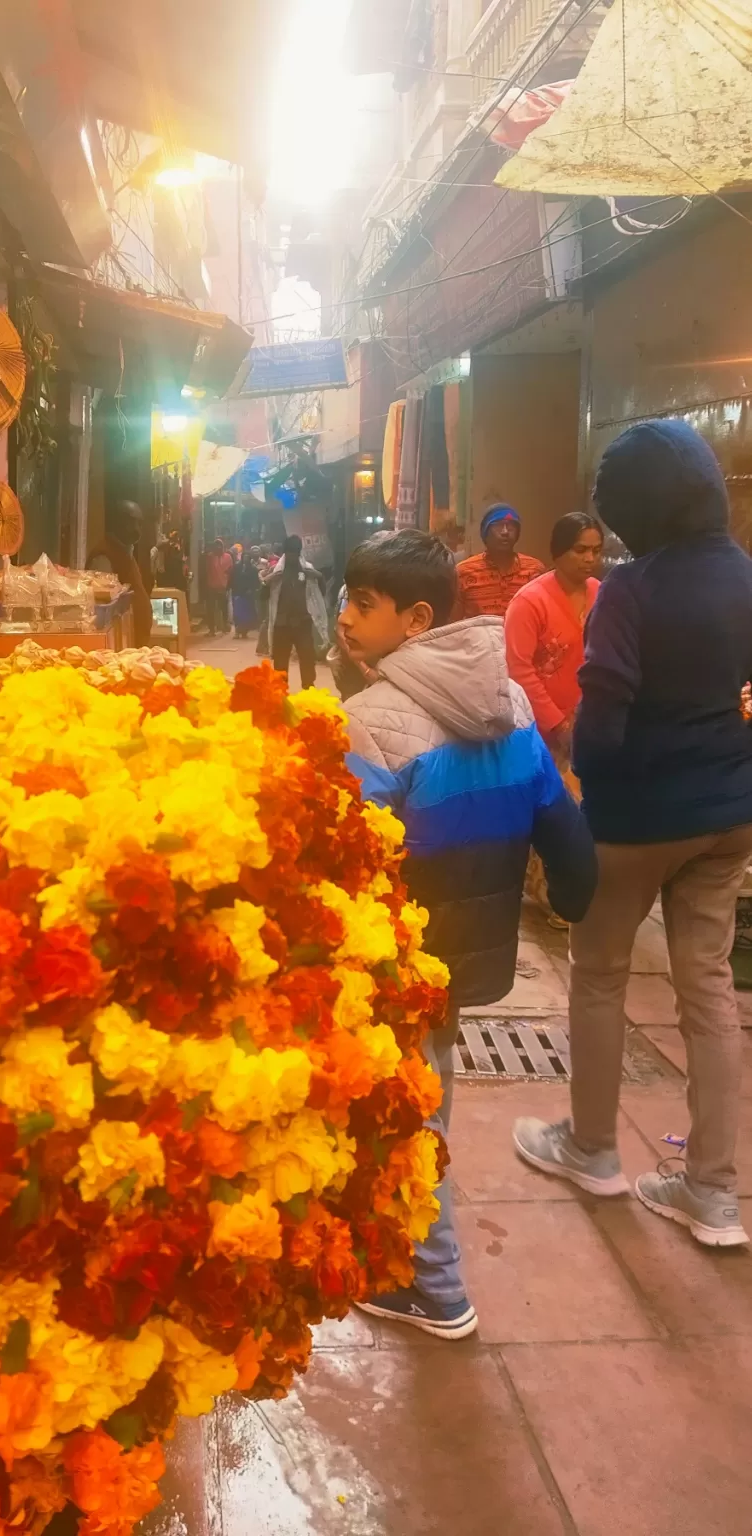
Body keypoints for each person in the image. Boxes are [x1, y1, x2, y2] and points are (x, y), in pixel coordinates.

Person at [340, 529, 596, 1338]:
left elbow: (348, 866)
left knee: (418, 1116)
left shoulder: (371, 721)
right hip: (473, 952)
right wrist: (576, 891)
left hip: (400, 962)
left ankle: (438, 1287)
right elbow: (560, 820)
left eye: (362, 605)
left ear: (417, 620)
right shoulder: (513, 705)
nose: (345, 618)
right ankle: (402, 1250)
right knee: (422, 1103)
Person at [513, 421, 752, 1248]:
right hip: (730, 816)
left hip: (641, 818)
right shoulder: (746, 576)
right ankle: (714, 1194)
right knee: (709, 989)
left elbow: (604, 723)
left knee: (600, 972)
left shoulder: (632, 590)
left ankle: (592, 1149)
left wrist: (582, 778)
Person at [505, 512, 604, 923]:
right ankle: (538, 892)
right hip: (541, 727)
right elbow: (519, 668)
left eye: (597, 550)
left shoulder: (601, 593)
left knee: (579, 813)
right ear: (559, 550)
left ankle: (563, 895)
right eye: (580, 550)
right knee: (545, 809)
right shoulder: (530, 601)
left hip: (591, 723)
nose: (589, 559)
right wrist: (557, 723)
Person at [456, 504, 546, 618]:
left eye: (511, 527)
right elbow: (454, 625)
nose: (505, 532)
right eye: (498, 526)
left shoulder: (534, 569)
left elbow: (543, 618)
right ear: (485, 533)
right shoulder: (463, 572)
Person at [87, 500, 152, 646]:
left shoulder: (126, 550)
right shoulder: (104, 555)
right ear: (118, 522)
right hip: (120, 643)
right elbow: (103, 605)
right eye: (131, 522)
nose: (136, 529)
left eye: (139, 523)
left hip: (134, 640)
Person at [262, 535, 321, 690]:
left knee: (308, 659)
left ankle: (308, 691)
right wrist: (268, 579)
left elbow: (320, 593)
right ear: (285, 552)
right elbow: (262, 596)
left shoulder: (308, 569)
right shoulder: (276, 572)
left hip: (303, 624)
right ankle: (280, 695)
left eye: (296, 553)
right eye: (290, 553)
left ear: (300, 552)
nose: (293, 556)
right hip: (282, 625)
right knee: (280, 664)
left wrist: (319, 576)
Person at [204, 539, 233, 636]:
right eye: (216, 546)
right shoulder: (210, 557)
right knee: (210, 609)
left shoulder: (228, 557)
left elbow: (230, 572)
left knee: (223, 608)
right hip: (211, 587)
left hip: (223, 587)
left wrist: (229, 586)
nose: (218, 547)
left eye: (220, 545)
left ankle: (225, 626)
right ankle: (211, 630)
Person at [231, 545, 261, 637]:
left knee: (247, 615)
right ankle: (237, 631)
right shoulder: (236, 567)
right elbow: (232, 579)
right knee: (237, 613)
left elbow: (256, 582)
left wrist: (251, 590)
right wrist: (233, 590)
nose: (246, 559)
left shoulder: (253, 569)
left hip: (248, 595)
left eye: (248, 558)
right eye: (244, 557)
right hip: (238, 594)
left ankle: (244, 632)